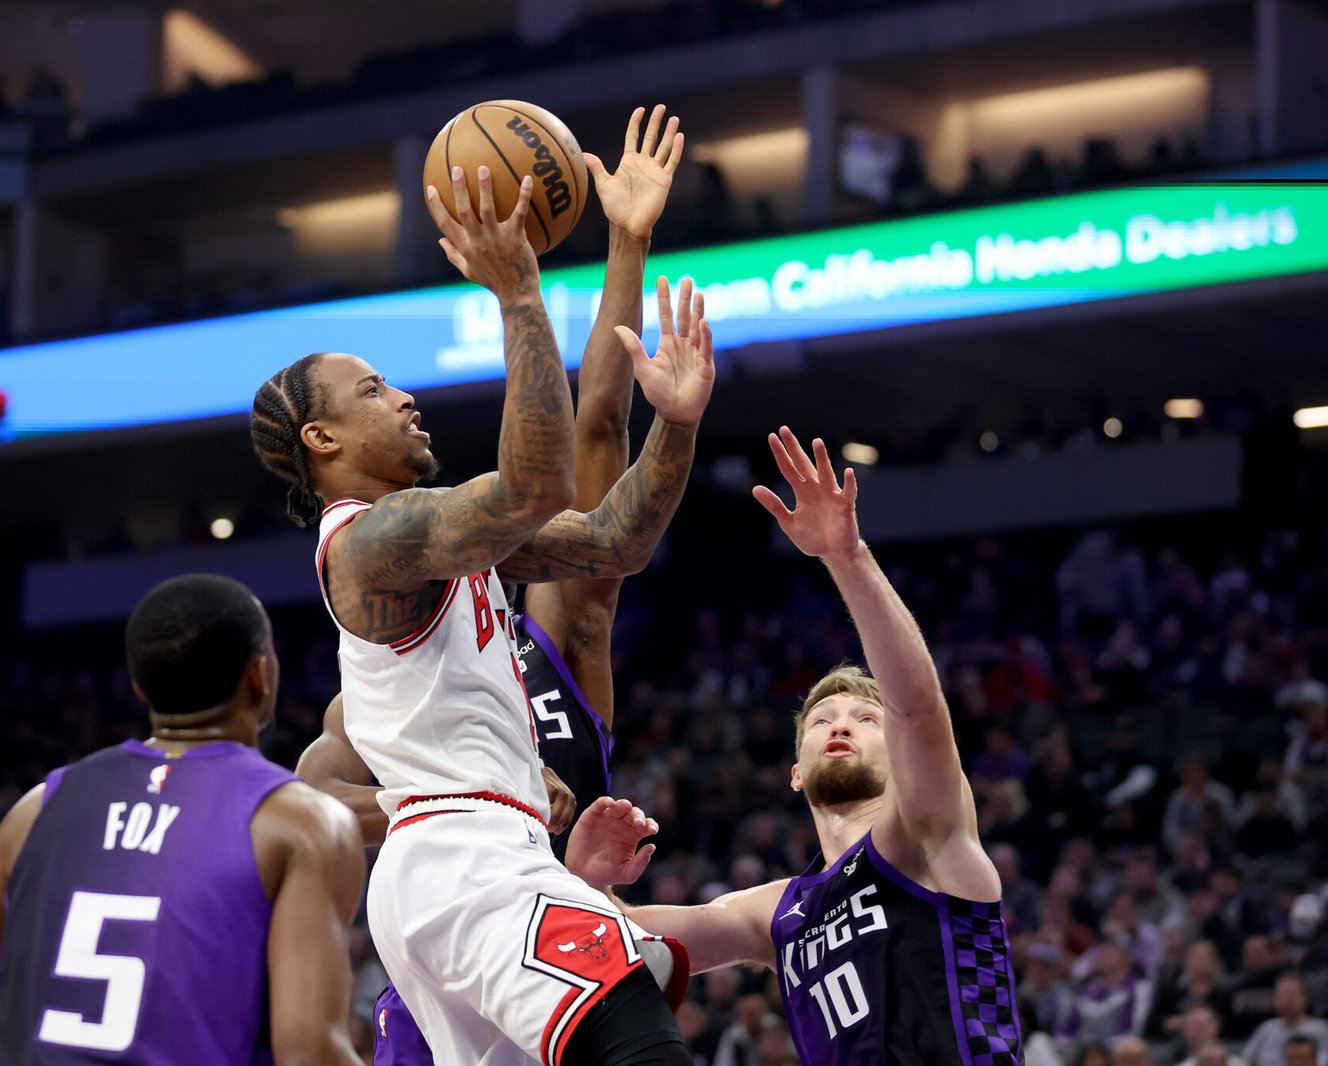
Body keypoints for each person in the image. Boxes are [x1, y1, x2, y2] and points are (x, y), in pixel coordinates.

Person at [249, 105, 714, 1064]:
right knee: (643, 1044)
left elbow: (614, 539)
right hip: (463, 861)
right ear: (322, 441)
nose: (405, 395)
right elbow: (538, 481)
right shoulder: (371, 545)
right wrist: (517, 292)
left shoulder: (456, 559)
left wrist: (675, 424)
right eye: (373, 390)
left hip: (470, 871)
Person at [565, 430, 1020, 1065]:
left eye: (866, 718)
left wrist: (847, 557)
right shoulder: (779, 911)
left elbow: (917, 708)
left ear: (901, 761)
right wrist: (589, 885)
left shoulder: (926, 836)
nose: (840, 725)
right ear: (795, 774)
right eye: (821, 720)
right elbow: (628, 937)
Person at [0, 574, 365, 1066]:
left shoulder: (37, 809)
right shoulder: (301, 823)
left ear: (138, 686)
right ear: (260, 676)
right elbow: (310, 1052)